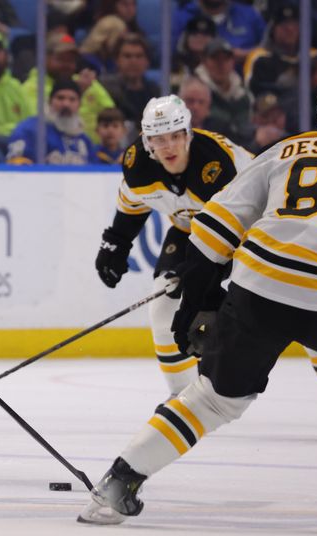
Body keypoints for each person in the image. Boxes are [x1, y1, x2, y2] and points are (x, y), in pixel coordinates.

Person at [79, 62, 317, 530]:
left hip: (262, 281)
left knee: (214, 399)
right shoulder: (144, 166)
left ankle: (116, 486)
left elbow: (216, 227)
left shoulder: (287, 148)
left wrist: (195, 302)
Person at [94, 95, 253, 396]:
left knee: (290, 309)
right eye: (158, 138)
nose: (167, 146)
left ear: (187, 133)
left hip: (250, 235)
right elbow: (132, 205)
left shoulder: (217, 163)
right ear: (146, 139)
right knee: (162, 306)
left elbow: (238, 227)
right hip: (190, 230)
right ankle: (182, 398)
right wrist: (115, 244)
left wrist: (200, 271)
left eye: (174, 136)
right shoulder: (137, 164)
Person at [7, 77, 95, 165]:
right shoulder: (30, 129)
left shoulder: (84, 140)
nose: (66, 104)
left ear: (79, 105)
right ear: (49, 102)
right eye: (60, 98)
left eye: (72, 99)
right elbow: (18, 168)